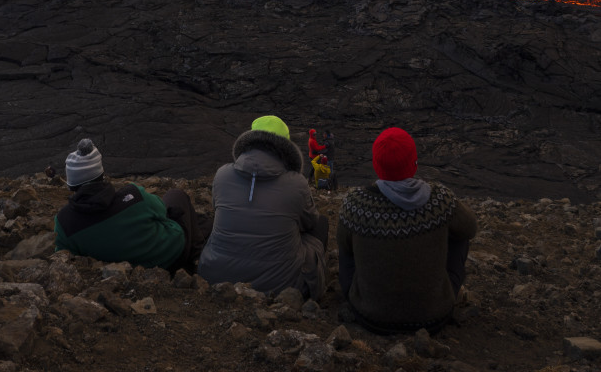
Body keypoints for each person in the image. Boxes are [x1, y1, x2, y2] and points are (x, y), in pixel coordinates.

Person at [338, 127, 477, 335]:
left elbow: (344, 246)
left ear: (376, 164)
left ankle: (361, 294)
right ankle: (438, 292)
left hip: (370, 316)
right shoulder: (440, 199)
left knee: (347, 243)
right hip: (434, 317)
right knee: (460, 236)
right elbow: (470, 227)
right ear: (414, 163)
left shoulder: (356, 203)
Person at [198, 115, 328, 299]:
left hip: (214, 277)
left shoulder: (222, 175)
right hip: (281, 286)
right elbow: (310, 222)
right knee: (320, 224)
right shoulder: (296, 184)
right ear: (286, 146)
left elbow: (218, 208)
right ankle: (316, 288)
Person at [54, 138, 208, 273]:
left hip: (135, 273)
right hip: (174, 252)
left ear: (71, 186)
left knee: (197, 220)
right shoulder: (134, 195)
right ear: (101, 175)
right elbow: (162, 211)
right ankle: (196, 259)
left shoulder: (64, 223)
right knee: (176, 196)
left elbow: (65, 257)